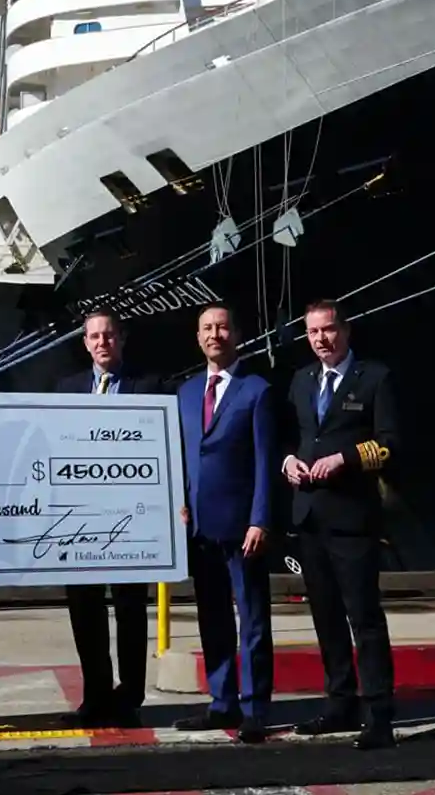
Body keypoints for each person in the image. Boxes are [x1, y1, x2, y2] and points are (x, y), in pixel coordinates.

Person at [282, 298, 401, 749]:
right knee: (325, 616)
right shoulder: (301, 381)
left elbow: (391, 444)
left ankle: (380, 713)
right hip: (309, 514)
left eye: (328, 330)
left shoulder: (374, 378)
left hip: (352, 516)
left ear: (346, 330)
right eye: (313, 333)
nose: (321, 340)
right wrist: (289, 462)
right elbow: (294, 437)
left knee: (364, 618)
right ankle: (340, 703)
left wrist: (346, 459)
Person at [53, 309, 164, 728]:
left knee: (130, 609)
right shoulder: (65, 390)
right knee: (84, 609)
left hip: (130, 519)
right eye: (94, 336)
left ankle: (129, 695)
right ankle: (95, 696)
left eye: (109, 335)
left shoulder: (150, 386)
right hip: (77, 521)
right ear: (85, 343)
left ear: (122, 339)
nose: (102, 342)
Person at [172, 303, 277, 743]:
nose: (215, 334)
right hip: (199, 529)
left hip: (242, 528)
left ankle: (254, 708)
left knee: (251, 617)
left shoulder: (257, 391)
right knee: (212, 618)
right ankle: (222, 703)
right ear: (198, 338)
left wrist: (260, 520)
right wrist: (177, 503)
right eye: (207, 328)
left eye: (223, 326)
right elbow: (179, 458)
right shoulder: (185, 393)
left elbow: (265, 461)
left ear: (237, 334)